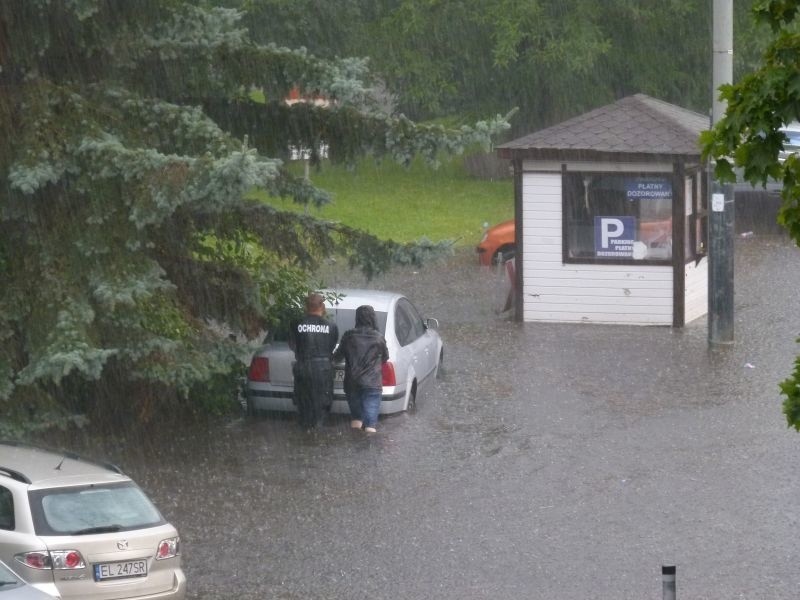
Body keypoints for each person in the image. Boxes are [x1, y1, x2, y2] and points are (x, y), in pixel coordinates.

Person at [333, 304, 389, 433]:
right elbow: (385, 358)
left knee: (356, 418)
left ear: (357, 318)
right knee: (370, 424)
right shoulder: (378, 337)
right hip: (372, 383)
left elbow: (338, 356)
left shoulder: (348, 336)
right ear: (373, 318)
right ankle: (368, 450)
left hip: (352, 382)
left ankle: (354, 446)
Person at [288, 292, 339, 430]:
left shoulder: (296, 324)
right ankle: (318, 433)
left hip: (303, 367)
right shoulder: (332, 326)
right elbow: (332, 346)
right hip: (323, 369)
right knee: (322, 405)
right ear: (322, 307)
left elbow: (292, 345)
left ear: (306, 307)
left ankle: (305, 433)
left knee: (304, 404)